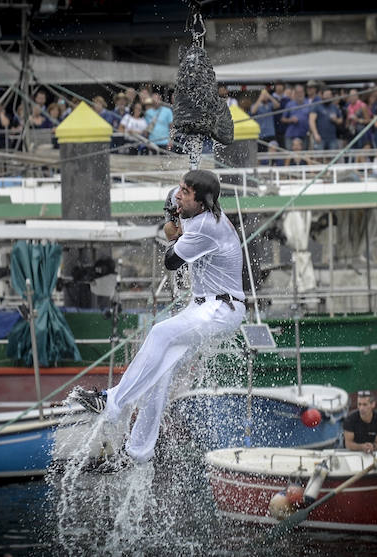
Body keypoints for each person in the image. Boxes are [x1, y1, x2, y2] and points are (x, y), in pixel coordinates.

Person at [71, 170, 246, 470]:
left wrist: (172, 233)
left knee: (160, 334)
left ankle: (112, 402)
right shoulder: (195, 207)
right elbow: (171, 200)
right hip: (200, 305)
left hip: (222, 310)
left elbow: (171, 261)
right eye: (180, 189)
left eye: (185, 192)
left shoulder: (206, 226)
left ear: (201, 202)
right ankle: (139, 450)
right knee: (162, 372)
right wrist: (172, 210)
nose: (179, 195)